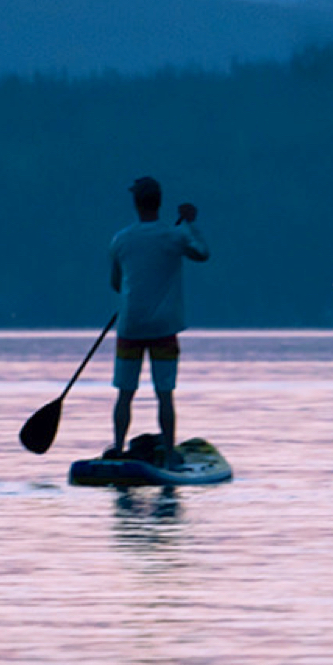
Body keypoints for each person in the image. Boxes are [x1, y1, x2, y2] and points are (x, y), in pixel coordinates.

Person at [107, 176, 209, 468]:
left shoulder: (120, 239)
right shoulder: (173, 236)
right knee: (165, 393)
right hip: (164, 328)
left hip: (130, 326)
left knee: (125, 393)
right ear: (159, 202)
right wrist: (189, 223)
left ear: (136, 203)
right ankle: (168, 450)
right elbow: (202, 253)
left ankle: (117, 447)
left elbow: (116, 284)